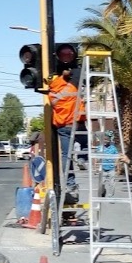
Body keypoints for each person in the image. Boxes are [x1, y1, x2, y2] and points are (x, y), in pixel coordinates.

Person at [48, 66, 82, 197]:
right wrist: (67, 71)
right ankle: (83, 158)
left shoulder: (52, 93)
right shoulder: (72, 86)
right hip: (76, 122)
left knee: (65, 155)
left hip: (62, 126)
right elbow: (78, 71)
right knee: (84, 145)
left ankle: (70, 183)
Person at [99, 130, 118, 197]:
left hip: (111, 168)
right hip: (103, 168)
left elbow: (116, 157)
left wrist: (116, 164)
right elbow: (96, 157)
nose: (105, 141)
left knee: (112, 183)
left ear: (110, 140)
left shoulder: (113, 148)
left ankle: (111, 196)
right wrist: (96, 166)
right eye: (104, 139)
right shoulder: (100, 148)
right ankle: (103, 191)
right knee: (101, 183)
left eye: (107, 139)